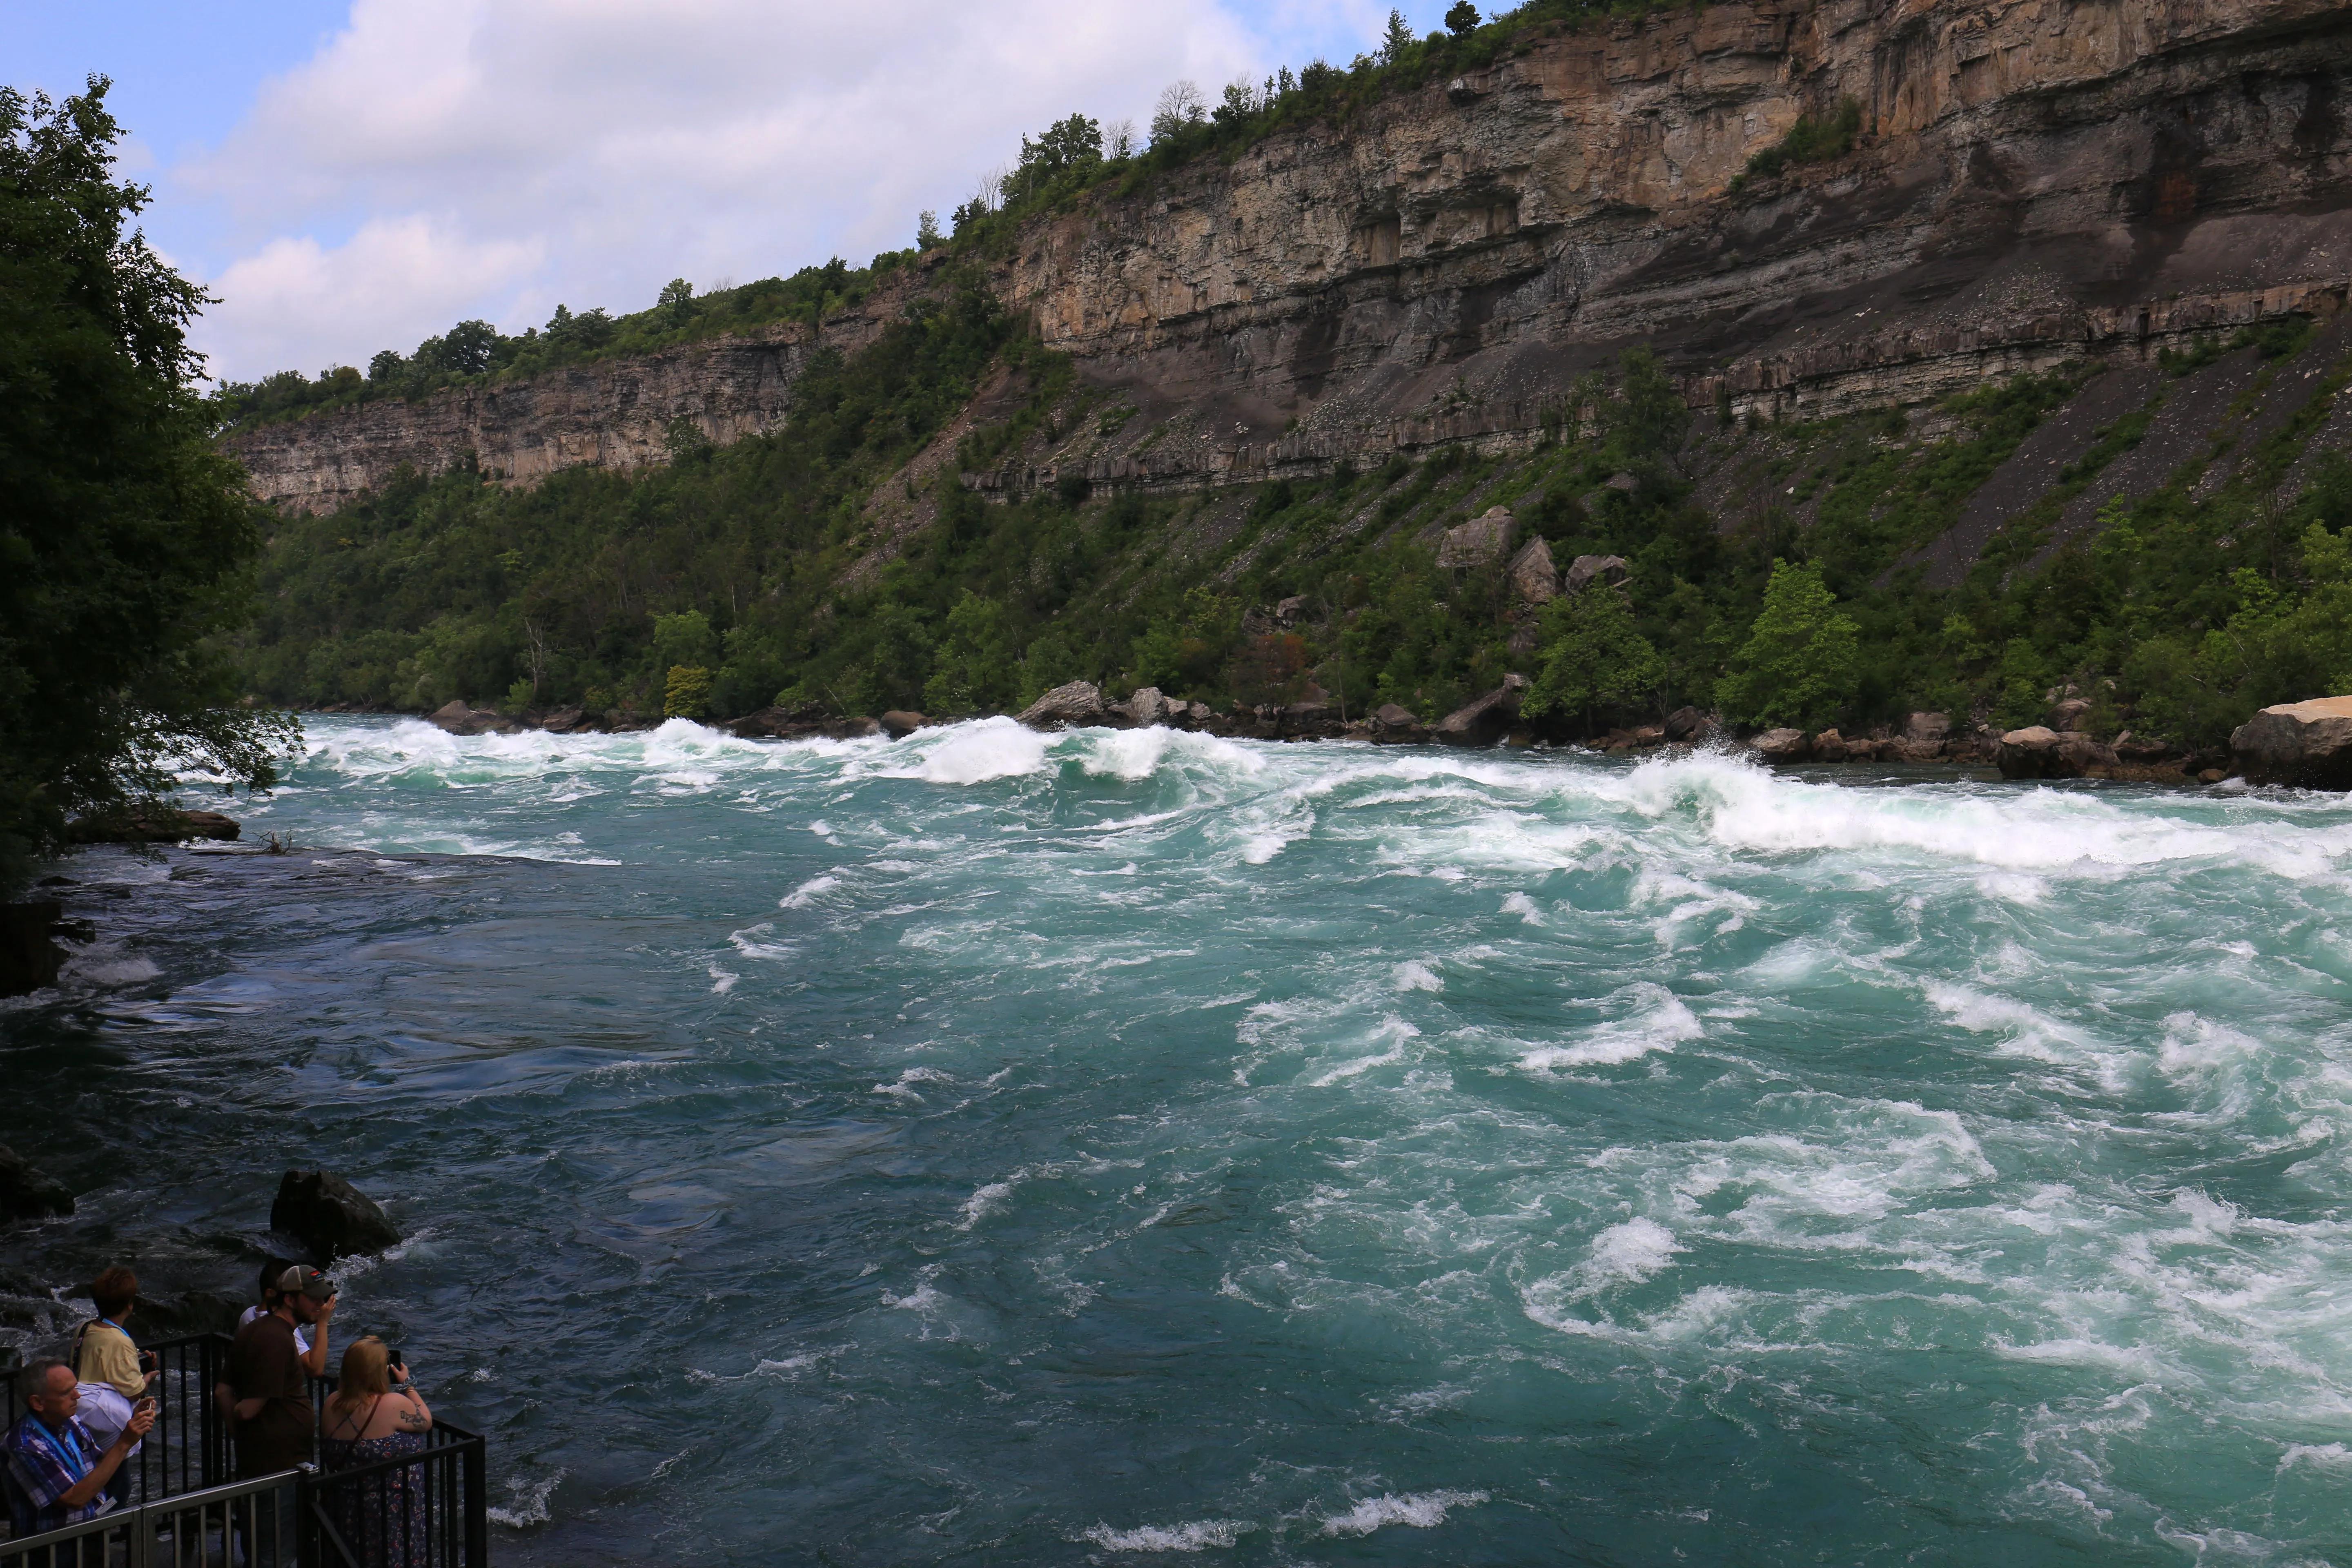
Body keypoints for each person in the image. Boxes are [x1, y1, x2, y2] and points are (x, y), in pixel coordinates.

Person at [2, 1361, 154, 1543]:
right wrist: (124, 1443)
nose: (78, 1395)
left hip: (90, 1529)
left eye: (75, 1387)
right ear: (38, 1403)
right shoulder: (25, 1444)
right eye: (67, 1392)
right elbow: (74, 1499)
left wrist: (131, 1428)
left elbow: (98, 1463)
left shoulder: (70, 1420)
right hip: (57, 1545)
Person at [317, 1338, 432, 1568]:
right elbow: (426, 1421)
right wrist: (408, 1385)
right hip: (389, 1515)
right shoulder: (391, 1404)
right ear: (379, 1371)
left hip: (346, 1508)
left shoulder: (332, 1403)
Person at [226, 1265, 332, 1479]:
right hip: (277, 1465)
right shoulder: (277, 1340)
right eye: (313, 1298)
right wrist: (241, 1427)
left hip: (273, 1460)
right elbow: (247, 1410)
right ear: (290, 1300)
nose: (321, 1305)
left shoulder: (257, 1326)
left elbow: (222, 1391)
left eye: (323, 1298)